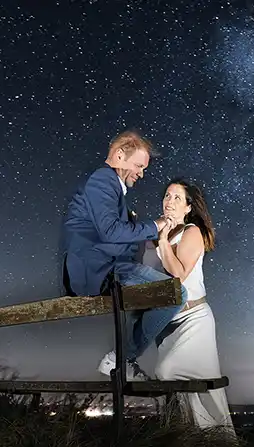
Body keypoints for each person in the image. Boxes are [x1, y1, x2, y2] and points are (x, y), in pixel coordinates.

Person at [60, 130, 186, 380]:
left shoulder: (109, 187)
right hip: (100, 269)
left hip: (104, 266)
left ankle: (122, 358)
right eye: (139, 165)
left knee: (154, 296)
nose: (141, 173)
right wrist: (156, 224)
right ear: (119, 156)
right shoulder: (102, 181)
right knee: (175, 293)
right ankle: (120, 359)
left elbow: (112, 233)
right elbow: (110, 231)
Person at [137, 178, 235, 431]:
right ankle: (189, 444)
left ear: (188, 207)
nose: (169, 202)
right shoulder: (153, 234)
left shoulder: (191, 232)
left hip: (193, 320)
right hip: (166, 323)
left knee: (169, 372)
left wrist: (162, 240)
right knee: (178, 391)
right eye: (167, 196)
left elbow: (178, 274)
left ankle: (218, 442)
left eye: (176, 198)